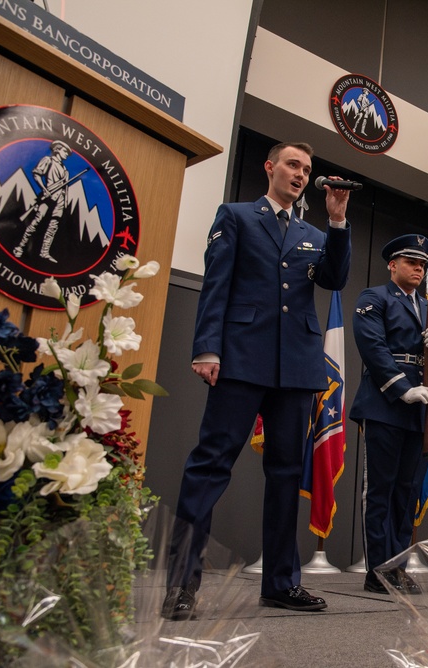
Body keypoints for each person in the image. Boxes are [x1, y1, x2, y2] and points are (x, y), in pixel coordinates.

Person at [162, 142, 351, 620]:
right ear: (270, 167)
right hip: (242, 360)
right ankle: (182, 583)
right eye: (293, 164)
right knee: (210, 465)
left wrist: (338, 222)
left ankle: (281, 583)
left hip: (296, 369)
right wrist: (207, 347)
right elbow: (216, 284)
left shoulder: (313, 232)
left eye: (307, 169)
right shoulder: (237, 216)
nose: (300, 174)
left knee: (287, 476)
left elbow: (334, 277)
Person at [349, 234, 428, 594]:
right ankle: (378, 569)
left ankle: (397, 566)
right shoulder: (374, 298)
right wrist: (401, 388)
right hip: (386, 402)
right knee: (380, 489)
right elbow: (373, 347)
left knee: (406, 492)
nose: (418, 269)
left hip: (420, 405)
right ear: (392, 265)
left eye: (422, 265)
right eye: (411, 262)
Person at [14, 139, 72, 262]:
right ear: (57, 150)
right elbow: (36, 174)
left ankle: (44, 252)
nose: (66, 154)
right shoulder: (48, 160)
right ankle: (20, 247)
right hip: (47, 198)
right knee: (35, 222)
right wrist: (44, 189)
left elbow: (65, 187)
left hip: (59, 200)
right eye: (65, 151)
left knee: (53, 226)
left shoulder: (65, 169)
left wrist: (65, 201)